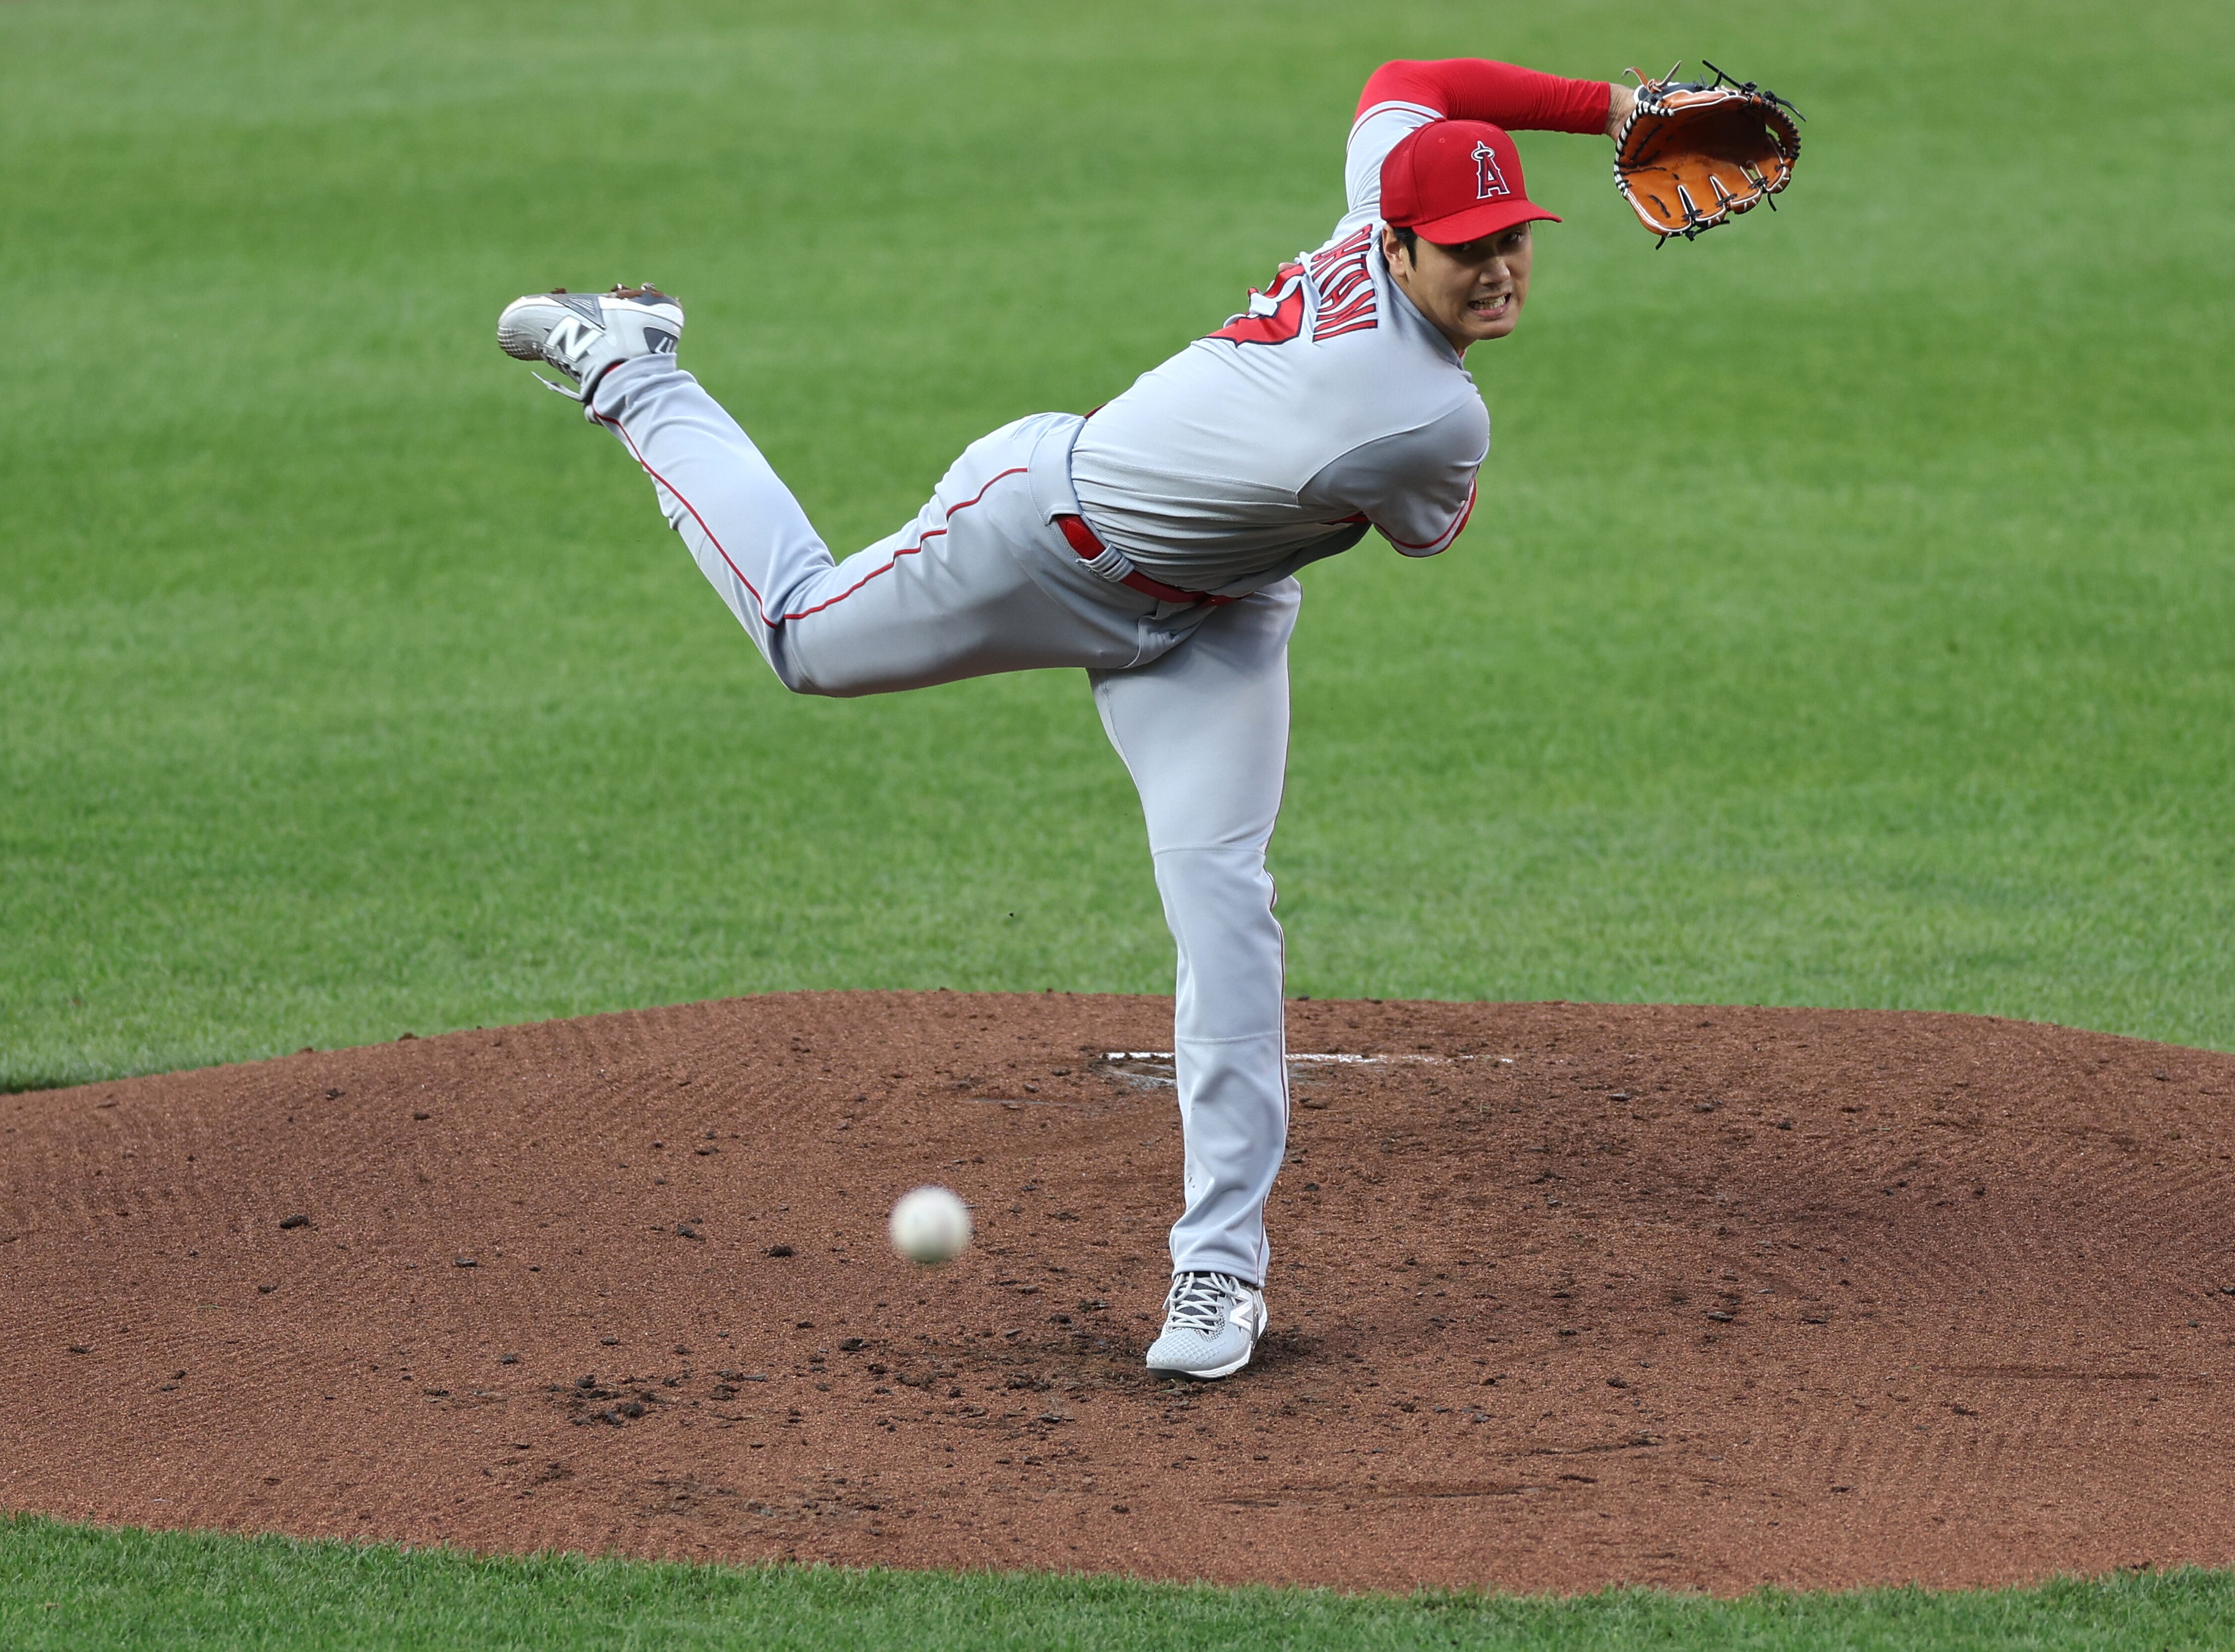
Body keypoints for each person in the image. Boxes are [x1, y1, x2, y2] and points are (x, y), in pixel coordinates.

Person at [495, 58, 1641, 1379]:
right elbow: (1432, 531)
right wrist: (1609, 113)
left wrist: (1609, 107)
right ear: (1396, 243)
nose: (1496, 270)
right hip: (1036, 537)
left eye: (1511, 241)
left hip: (1215, 625)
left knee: (1226, 910)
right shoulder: (1429, 414)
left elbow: (1405, 81)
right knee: (805, 640)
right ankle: (639, 371)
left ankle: (1219, 1277)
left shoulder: (1363, 224)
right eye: (1463, 251)